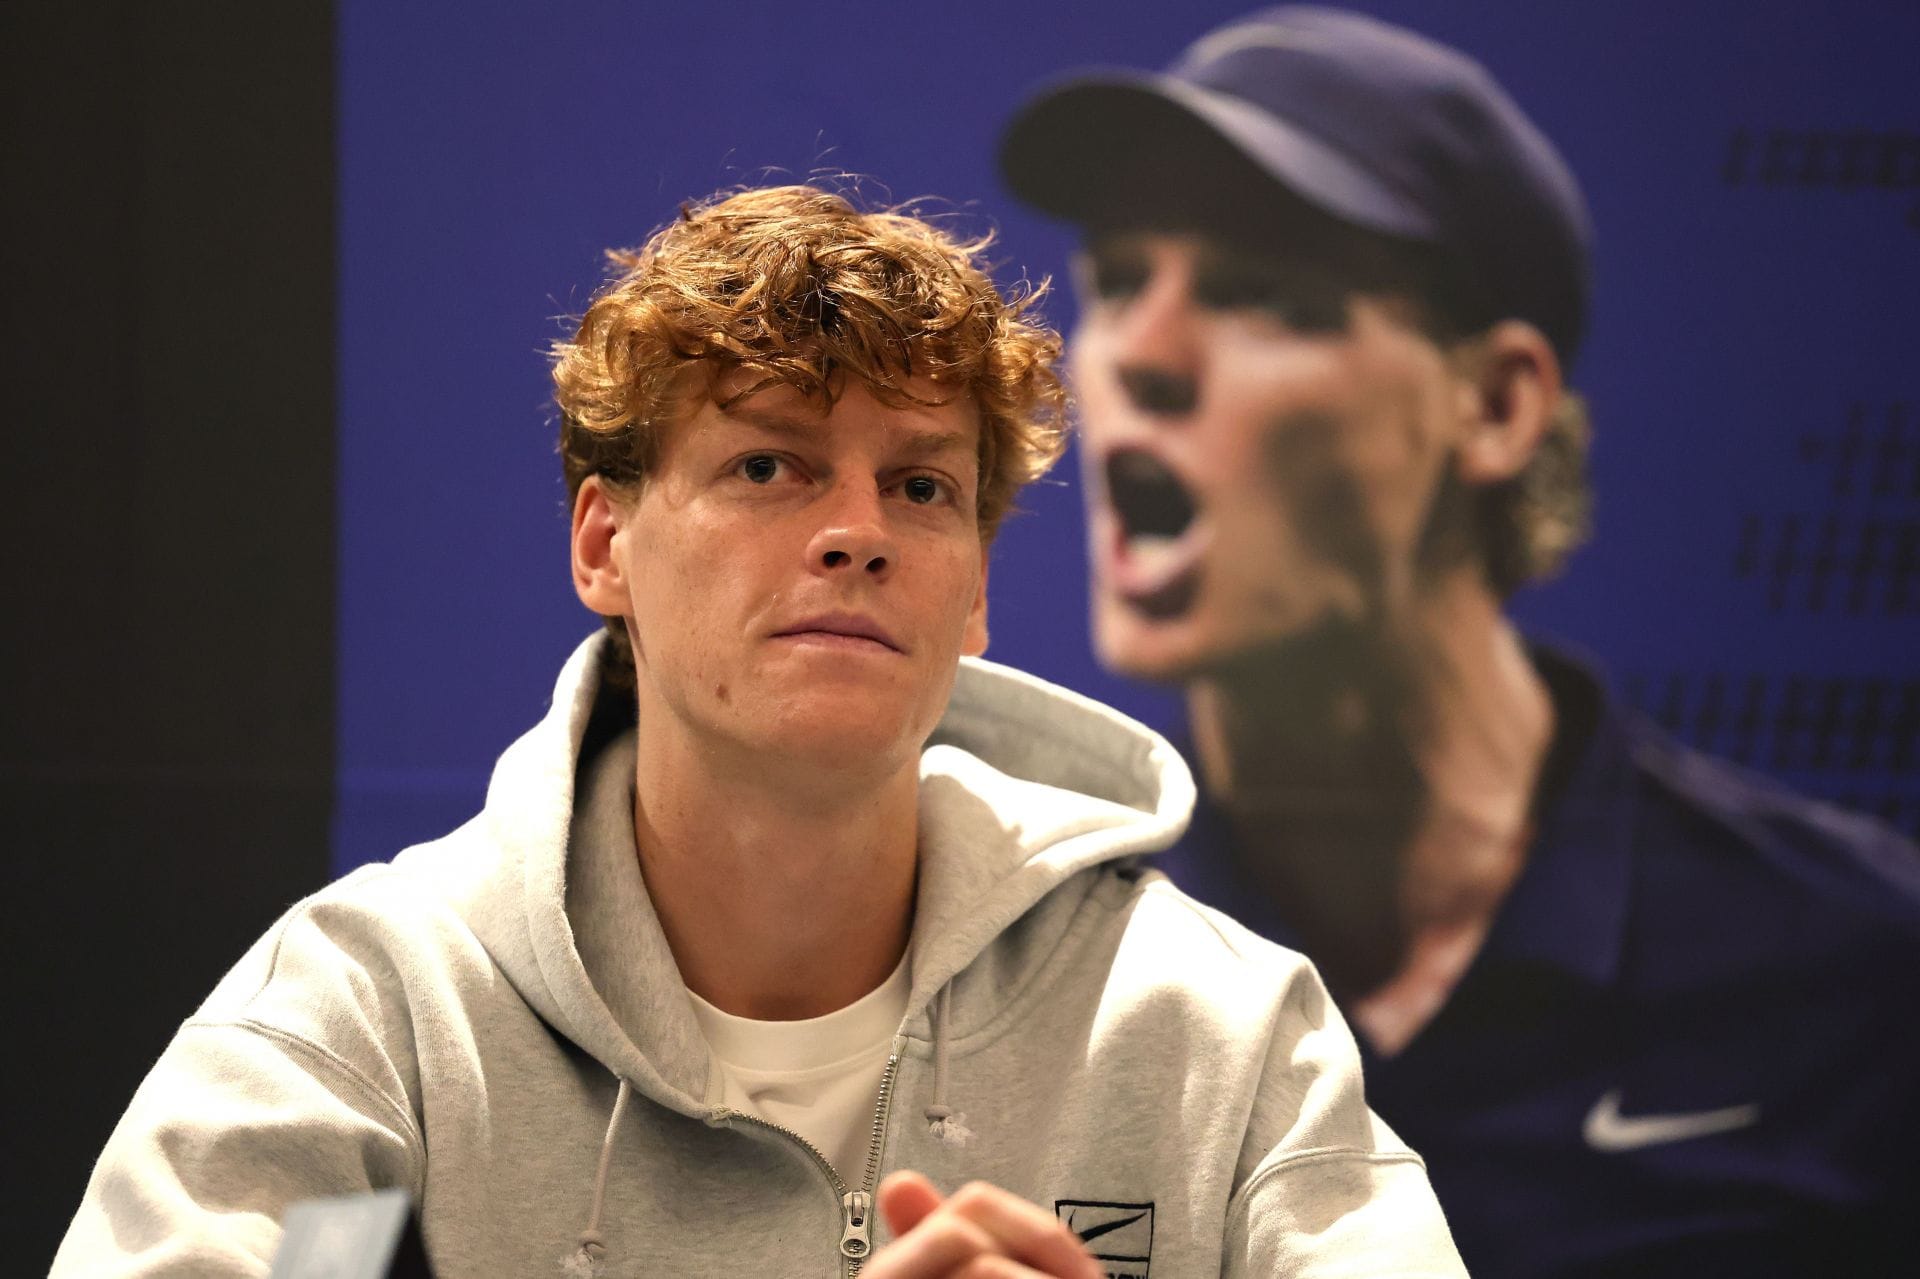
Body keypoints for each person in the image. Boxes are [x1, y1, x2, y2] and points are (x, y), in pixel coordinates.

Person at [53, 184, 1465, 1277]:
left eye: (921, 487)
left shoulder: (1215, 1025)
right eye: (768, 462)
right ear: (603, 544)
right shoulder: (368, 1016)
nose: (857, 531)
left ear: (974, 585)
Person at [1002, 7, 1920, 1276]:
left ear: (1493, 406)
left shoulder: (1866, 978)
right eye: (1114, 283)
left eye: (1261, 294)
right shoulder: (1007, 959)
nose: (1136, 355)